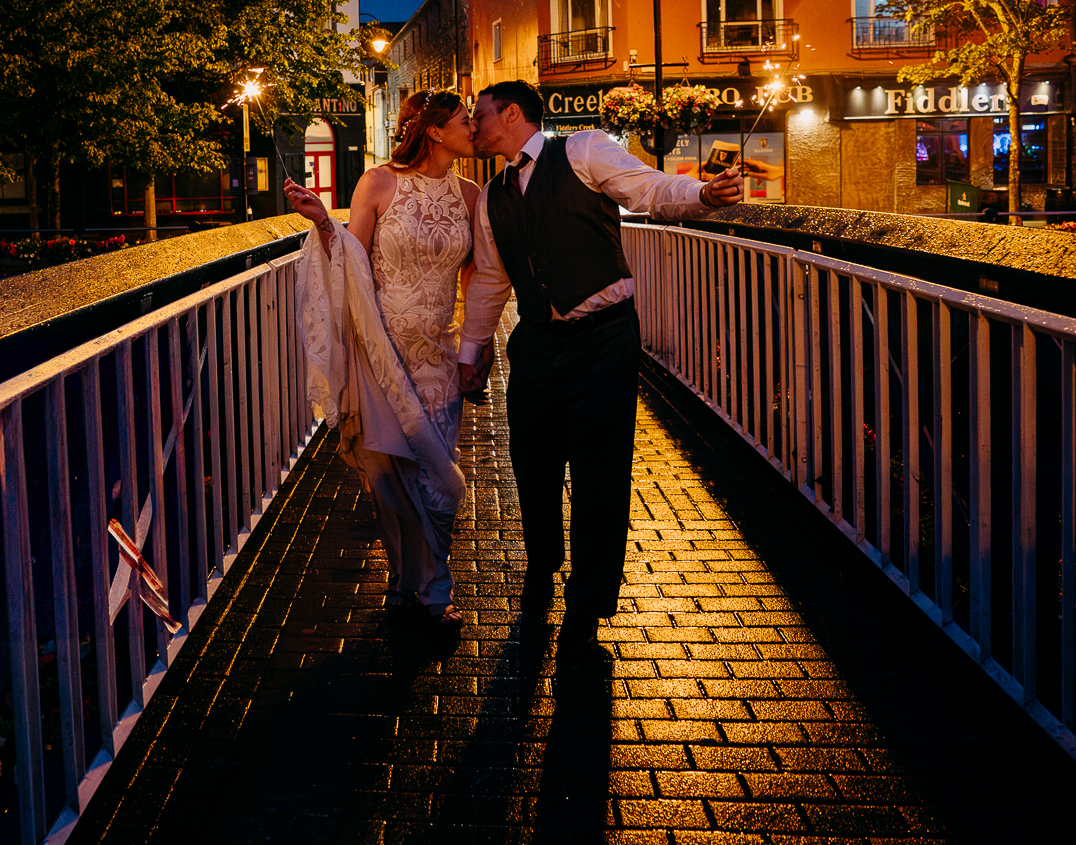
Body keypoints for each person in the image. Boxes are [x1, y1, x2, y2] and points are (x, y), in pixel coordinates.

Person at [455, 79, 743, 653]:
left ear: (511, 114)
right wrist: (472, 353)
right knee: (531, 468)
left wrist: (702, 197)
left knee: (600, 475)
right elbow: (489, 279)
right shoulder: (491, 196)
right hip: (535, 343)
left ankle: (587, 604)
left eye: (480, 115)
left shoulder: (583, 149)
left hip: (603, 341)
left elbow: (648, 189)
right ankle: (541, 571)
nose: (474, 125)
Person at [286, 90, 481, 628]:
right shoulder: (379, 182)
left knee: (434, 473)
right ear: (437, 131)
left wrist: (476, 344)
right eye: (467, 121)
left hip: (438, 353)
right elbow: (351, 255)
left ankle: (430, 586)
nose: (476, 128)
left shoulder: (470, 194)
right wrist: (324, 222)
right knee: (389, 472)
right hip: (381, 349)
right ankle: (411, 588)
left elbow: (478, 274)